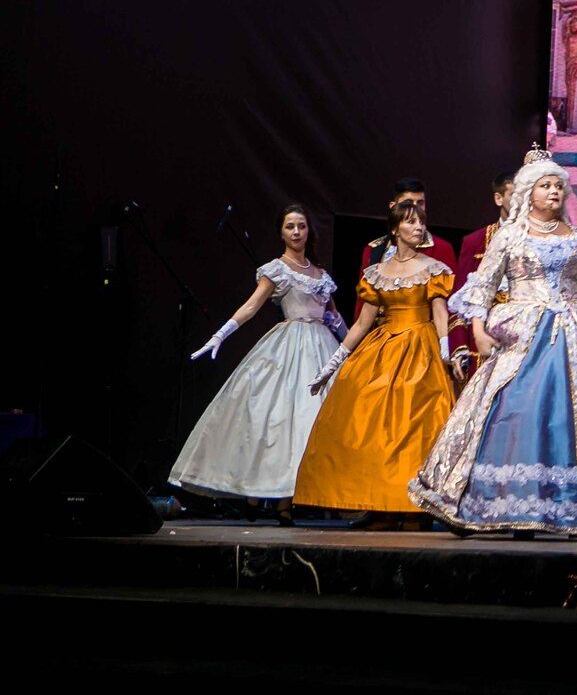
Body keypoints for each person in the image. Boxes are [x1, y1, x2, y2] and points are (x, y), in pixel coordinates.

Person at [411, 148, 577, 533]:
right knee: (514, 410)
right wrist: (478, 330)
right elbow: (482, 288)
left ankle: (570, 500)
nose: (555, 191)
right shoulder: (510, 235)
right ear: (529, 192)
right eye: (546, 185)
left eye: (559, 185)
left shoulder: (574, 237)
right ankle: (500, 500)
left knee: (571, 416)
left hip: (572, 337)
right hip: (523, 334)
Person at [169, 205, 342, 520]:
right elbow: (251, 306)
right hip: (290, 347)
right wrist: (220, 334)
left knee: (310, 424)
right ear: (281, 233)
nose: (296, 232)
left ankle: (284, 500)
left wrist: (354, 346)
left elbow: (334, 316)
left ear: (309, 231)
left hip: (322, 349)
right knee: (280, 421)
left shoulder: (320, 274)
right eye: (290, 226)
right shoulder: (277, 269)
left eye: (301, 226)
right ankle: (263, 494)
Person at [295, 202, 456, 527]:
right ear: (395, 229)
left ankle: (414, 510)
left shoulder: (432, 269)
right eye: (410, 222)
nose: (418, 227)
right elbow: (361, 324)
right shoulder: (377, 273)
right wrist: (331, 365)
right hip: (383, 348)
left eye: (421, 222)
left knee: (414, 428)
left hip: (420, 348)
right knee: (373, 425)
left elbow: (440, 312)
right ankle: (381, 506)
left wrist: (444, 349)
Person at [452, 171, 518, 378]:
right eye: (514, 195)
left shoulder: (541, 239)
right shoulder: (476, 241)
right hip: (487, 339)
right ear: (499, 198)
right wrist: (459, 346)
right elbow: (460, 299)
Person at [360, 177, 458, 273]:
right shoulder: (372, 249)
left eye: (420, 203)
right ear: (393, 207)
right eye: (408, 203)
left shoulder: (442, 248)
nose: (415, 208)